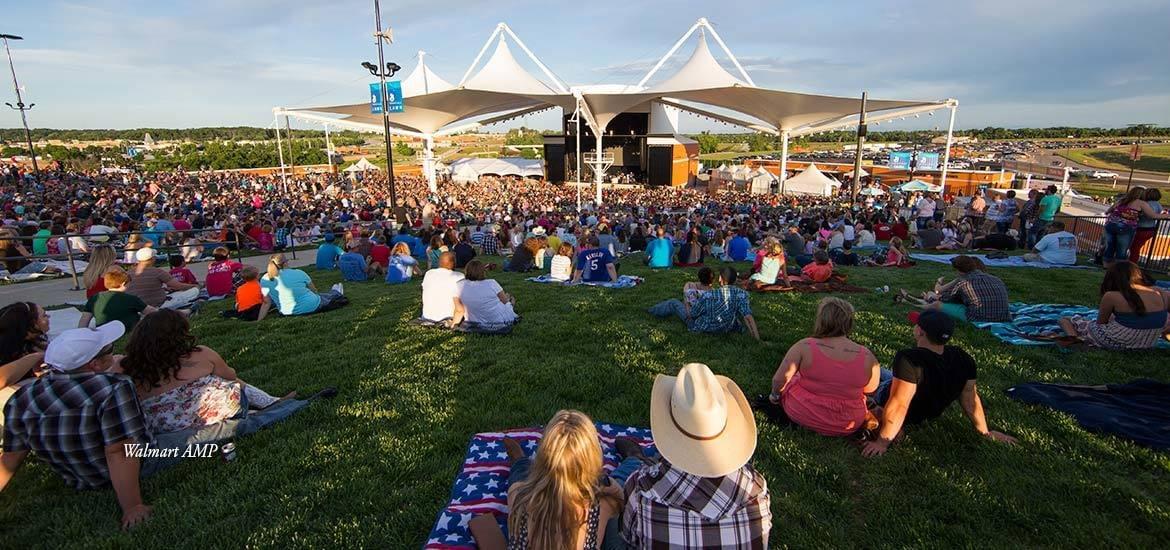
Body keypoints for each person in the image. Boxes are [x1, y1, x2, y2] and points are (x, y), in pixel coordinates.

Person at [0, 322, 157, 529]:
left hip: (77, 476)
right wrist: (133, 506)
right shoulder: (114, 387)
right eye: (109, 349)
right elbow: (119, 451)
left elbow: (10, 459)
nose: (114, 350)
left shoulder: (22, 398)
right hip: (142, 462)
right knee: (206, 436)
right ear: (95, 364)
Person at [615, 363, 772, 548]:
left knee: (609, 501)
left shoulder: (642, 489)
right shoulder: (756, 489)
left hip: (645, 489)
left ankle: (635, 459)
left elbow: (627, 537)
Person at [862, 310, 1017, 457]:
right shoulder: (962, 357)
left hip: (888, 398)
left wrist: (882, 442)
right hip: (926, 405)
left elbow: (899, 404)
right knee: (882, 371)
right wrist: (985, 432)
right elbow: (970, 399)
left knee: (865, 367)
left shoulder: (909, 359)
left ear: (920, 332)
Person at [120, 310, 296, 436]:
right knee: (222, 380)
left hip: (165, 425)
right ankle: (270, 402)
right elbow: (230, 375)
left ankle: (266, 405)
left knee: (207, 381)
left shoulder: (127, 367)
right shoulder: (200, 354)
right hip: (213, 413)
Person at [469, 410, 624, 549]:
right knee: (620, 482)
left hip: (533, 489)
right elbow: (622, 498)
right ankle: (635, 458)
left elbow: (518, 492)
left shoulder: (522, 499)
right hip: (593, 494)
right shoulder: (599, 507)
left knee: (520, 480)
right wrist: (607, 486)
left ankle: (520, 460)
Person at [769, 298, 881, 436]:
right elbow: (871, 389)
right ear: (849, 323)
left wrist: (775, 396)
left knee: (796, 377)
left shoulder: (805, 346)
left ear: (821, 320)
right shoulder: (868, 356)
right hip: (848, 422)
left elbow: (779, 380)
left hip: (803, 413)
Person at [1058, 261, 1168, 350]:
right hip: (1147, 343)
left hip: (1114, 341)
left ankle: (1073, 340)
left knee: (1066, 320)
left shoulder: (1112, 296)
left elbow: (1101, 323)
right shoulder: (1160, 292)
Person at [651, 266, 760, 340]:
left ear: (721, 279)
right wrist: (756, 339)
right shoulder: (742, 294)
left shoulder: (708, 296)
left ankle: (651, 311)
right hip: (726, 327)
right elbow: (748, 316)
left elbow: (691, 315)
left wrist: (686, 300)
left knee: (674, 302)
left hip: (703, 328)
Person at [898, 255, 1010, 323]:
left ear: (959, 270)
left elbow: (944, 299)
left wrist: (931, 297)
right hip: (1003, 315)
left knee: (937, 305)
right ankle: (917, 299)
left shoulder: (964, 283)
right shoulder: (995, 279)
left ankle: (912, 304)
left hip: (979, 316)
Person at [0, 302, 49, 429]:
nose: (48, 318)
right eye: (44, 316)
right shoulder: (5, 347)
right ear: (31, 324)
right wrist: (35, 357)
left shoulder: (35, 342)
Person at [261, 253, 346, 316]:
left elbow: (266, 302)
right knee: (329, 296)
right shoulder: (299, 273)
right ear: (285, 263)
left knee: (324, 296)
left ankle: (335, 291)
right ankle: (336, 292)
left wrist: (259, 319)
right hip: (311, 306)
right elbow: (314, 291)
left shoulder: (264, 279)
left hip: (286, 312)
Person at [1102, 186, 1167, 267]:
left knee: (1110, 246)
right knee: (1122, 248)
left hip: (1110, 225)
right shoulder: (1141, 203)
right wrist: (1167, 216)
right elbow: (1153, 215)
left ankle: (1106, 266)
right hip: (1125, 227)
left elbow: (1108, 211)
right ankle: (1119, 268)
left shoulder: (1122, 200)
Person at [79, 268, 158, 331]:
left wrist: (82, 333)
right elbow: (150, 311)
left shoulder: (95, 297)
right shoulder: (131, 299)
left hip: (103, 331)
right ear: (123, 284)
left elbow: (84, 320)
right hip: (128, 331)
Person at [125, 248, 199, 309]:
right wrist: (194, 286)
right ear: (152, 258)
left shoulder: (128, 273)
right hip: (159, 305)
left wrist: (162, 289)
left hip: (137, 307)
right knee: (194, 291)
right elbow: (178, 286)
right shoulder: (157, 271)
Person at [451, 260, 518, 327]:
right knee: (509, 299)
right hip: (498, 320)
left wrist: (453, 326)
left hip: (474, 321)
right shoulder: (492, 283)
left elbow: (459, 310)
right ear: (483, 272)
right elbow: (505, 301)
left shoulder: (458, 285)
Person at [420, 252, 465, 322]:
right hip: (450, 315)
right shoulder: (459, 276)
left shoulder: (429, 273)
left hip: (427, 316)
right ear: (454, 263)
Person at [1130, 188, 1163, 263]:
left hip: (1141, 229)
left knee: (1134, 248)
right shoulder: (1158, 205)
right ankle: (1132, 263)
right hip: (1151, 229)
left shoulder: (1146, 204)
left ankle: (1132, 264)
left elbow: (1147, 215)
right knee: (1136, 247)